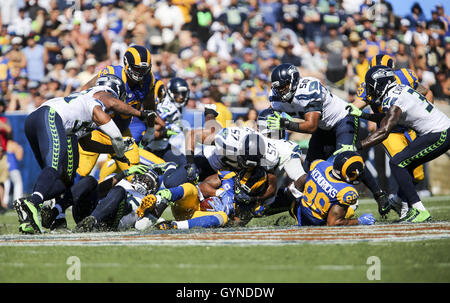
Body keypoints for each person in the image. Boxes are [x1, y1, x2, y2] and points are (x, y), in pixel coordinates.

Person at [13, 74, 145, 234]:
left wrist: (111, 150)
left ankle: (44, 215)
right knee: (54, 167)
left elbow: (87, 144)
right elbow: (115, 129)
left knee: (63, 179)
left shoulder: (84, 105)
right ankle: (32, 203)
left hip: (38, 119)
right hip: (50, 116)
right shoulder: (101, 95)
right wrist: (121, 149)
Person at [265, 63, 391, 215]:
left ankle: (379, 194)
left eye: (283, 86)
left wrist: (285, 123)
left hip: (342, 120)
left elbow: (311, 126)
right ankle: (292, 205)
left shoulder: (308, 89)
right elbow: (268, 117)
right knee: (307, 174)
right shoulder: (276, 99)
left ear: (293, 82)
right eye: (278, 87)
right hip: (323, 128)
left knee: (346, 159)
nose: (280, 91)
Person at [338, 65, 450, 223]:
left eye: (371, 87)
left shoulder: (393, 98)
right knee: (406, 165)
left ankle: (419, 210)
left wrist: (355, 147)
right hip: (438, 131)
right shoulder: (398, 90)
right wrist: (362, 115)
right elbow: (386, 116)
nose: (370, 92)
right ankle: (401, 202)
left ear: (380, 84)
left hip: (439, 133)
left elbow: (384, 131)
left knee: (397, 162)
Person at [349, 54, 433, 200]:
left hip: (409, 128)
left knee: (418, 175)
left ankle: (399, 199)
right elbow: (354, 107)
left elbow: (426, 92)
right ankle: (409, 203)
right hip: (390, 131)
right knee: (401, 164)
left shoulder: (405, 76)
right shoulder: (367, 87)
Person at [76, 45, 163, 182]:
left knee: (134, 173)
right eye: (137, 69)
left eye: (143, 70)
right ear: (127, 64)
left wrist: (151, 127)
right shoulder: (112, 73)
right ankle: (63, 202)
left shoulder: (148, 79)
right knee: (81, 171)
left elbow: (149, 103)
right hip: (97, 130)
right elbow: (85, 89)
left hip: (122, 133)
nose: (140, 74)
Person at [290, 151, 375, 226]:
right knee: (352, 205)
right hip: (315, 221)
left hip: (299, 210)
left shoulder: (319, 164)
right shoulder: (346, 192)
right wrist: (359, 221)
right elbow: (333, 223)